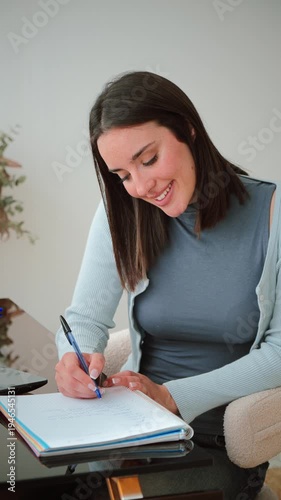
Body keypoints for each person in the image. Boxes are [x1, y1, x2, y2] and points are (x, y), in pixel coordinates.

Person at [55, 71, 281, 498]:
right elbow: (84, 317)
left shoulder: (272, 214)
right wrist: (76, 357)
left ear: (187, 130)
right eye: (122, 174)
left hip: (214, 443)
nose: (140, 187)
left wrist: (171, 396)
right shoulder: (121, 214)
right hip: (131, 428)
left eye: (149, 159)